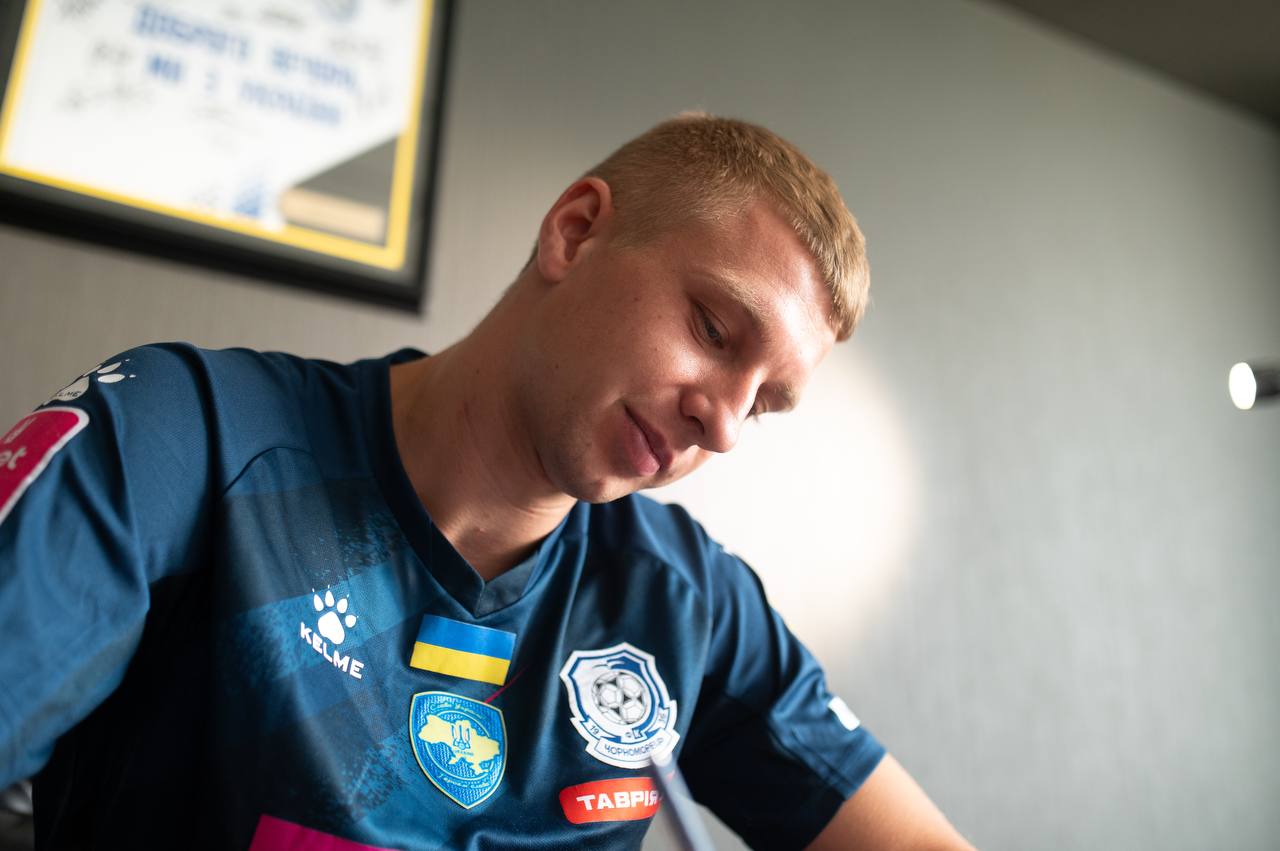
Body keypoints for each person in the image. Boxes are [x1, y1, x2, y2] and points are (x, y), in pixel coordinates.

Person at [0, 114, 973, 850]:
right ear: (575, 232)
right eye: (714, 330)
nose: (720, 423)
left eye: (760, 405)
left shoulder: (690, 606)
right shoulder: (187, 435)